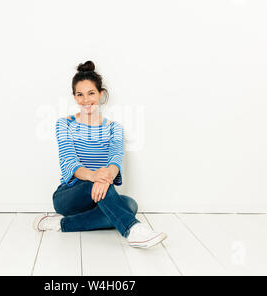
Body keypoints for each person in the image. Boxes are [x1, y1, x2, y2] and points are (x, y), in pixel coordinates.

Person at [33, 60, 167, 248]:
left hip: (100, 194)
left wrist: (103, 177)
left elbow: (115, 160)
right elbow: (69, 162)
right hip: (69, 196)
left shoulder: (114, 128)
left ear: (100, 94)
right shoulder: (64, 124)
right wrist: (97, 176)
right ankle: (133, 229)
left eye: (91, 93)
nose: (85, 100)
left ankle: (60, 224)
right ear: (74, 97)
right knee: (106, 193)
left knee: (130, 205)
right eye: (80, 94)